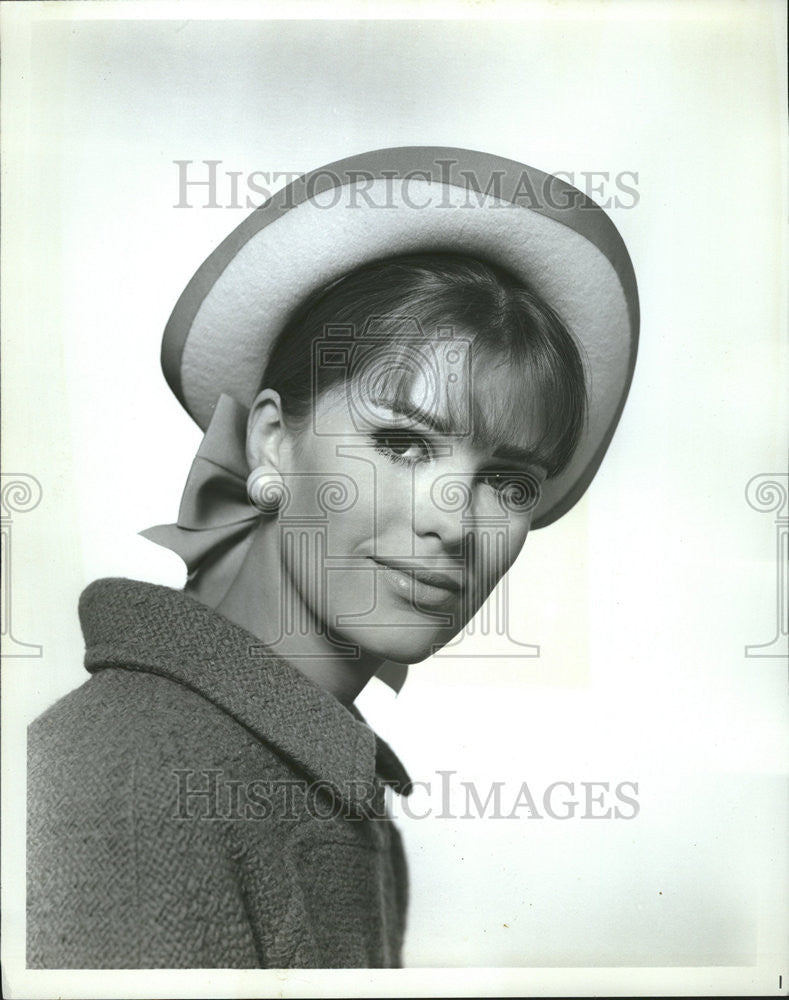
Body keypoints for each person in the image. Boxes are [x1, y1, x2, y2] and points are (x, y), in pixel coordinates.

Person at [26, 147, 639, 968]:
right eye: (402, 442)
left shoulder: (336, 789)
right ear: (272, 442)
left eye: (507, 480)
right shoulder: (123, 783)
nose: (454, 523)